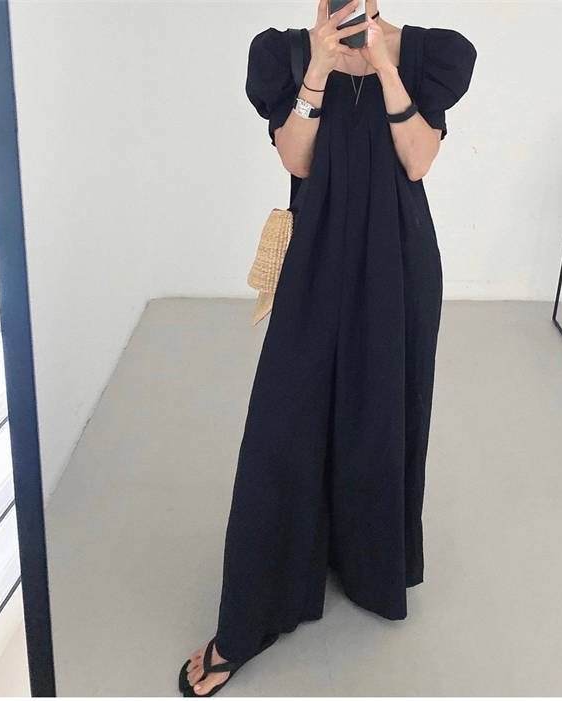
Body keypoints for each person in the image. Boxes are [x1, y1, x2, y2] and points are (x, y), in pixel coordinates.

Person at [179, 0, 476, 695]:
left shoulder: (430, 52)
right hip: (313, 259)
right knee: (281, 428)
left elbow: (418, 160)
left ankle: (367, 561)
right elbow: (297, 159)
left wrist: (384, 65)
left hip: (398, 265)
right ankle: (250, 618)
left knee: (380, 416)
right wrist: (317, 67)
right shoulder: (282, 53)